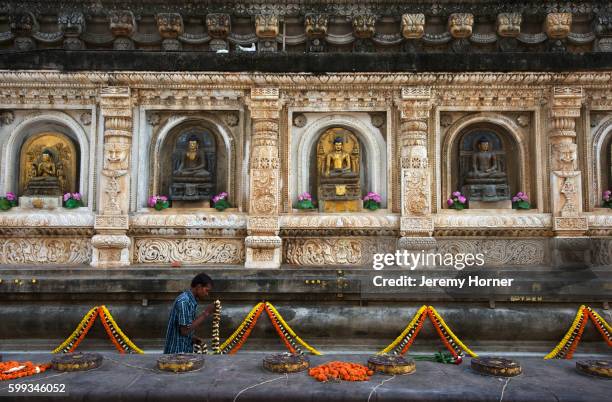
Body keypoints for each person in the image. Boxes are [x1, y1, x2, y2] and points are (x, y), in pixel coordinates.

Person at [163, 273, 215, 354]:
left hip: (184, 350)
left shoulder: (190, 301)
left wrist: (192, 338)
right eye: (206, 290)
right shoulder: (184, 301)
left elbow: (185, 327)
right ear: (199, 287)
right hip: (176, 352)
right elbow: (184, 330)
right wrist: (206, 313)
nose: (207, 294)